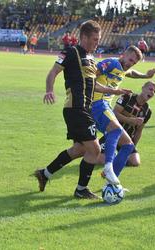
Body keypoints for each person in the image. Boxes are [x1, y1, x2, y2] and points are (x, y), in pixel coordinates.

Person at [34, 46, 155, 195]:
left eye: (134, 63)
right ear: (123, 54)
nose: (131, 64)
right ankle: (108, 168)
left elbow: (130, 73)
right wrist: (114, 91)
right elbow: (90, 80)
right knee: (116, 130)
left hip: (102, 107)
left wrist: (145, 75)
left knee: (124, 146)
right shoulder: (110, 63)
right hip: (97, 104)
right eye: (130, 60)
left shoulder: (123, 68)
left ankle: (45, 174)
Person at [34, 20, 130, 199]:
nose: (97, 43)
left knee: (78, 150)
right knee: (93, 150)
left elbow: (94, 86)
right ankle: (81, 190)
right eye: (94, 39)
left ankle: (44, 174)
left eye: (98, 39)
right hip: (75, 109)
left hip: (85, 109)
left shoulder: (92, 59)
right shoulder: (71, 52)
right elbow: (53, 72)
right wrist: (49, 90)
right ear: (84, 37)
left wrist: (115, 91)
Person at [98, 81, 155, 170]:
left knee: (135, 162)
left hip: (127, 140)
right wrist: (130, 120)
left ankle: (116, 156)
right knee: (99, 159)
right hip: (113, 135)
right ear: (143, 88)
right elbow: (114, 113)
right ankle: (111, 154)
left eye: (154, 91)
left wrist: (133, 146)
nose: (152, 92)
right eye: (150, 89)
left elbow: (139, 131)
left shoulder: (147, 111)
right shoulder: (127, 97)